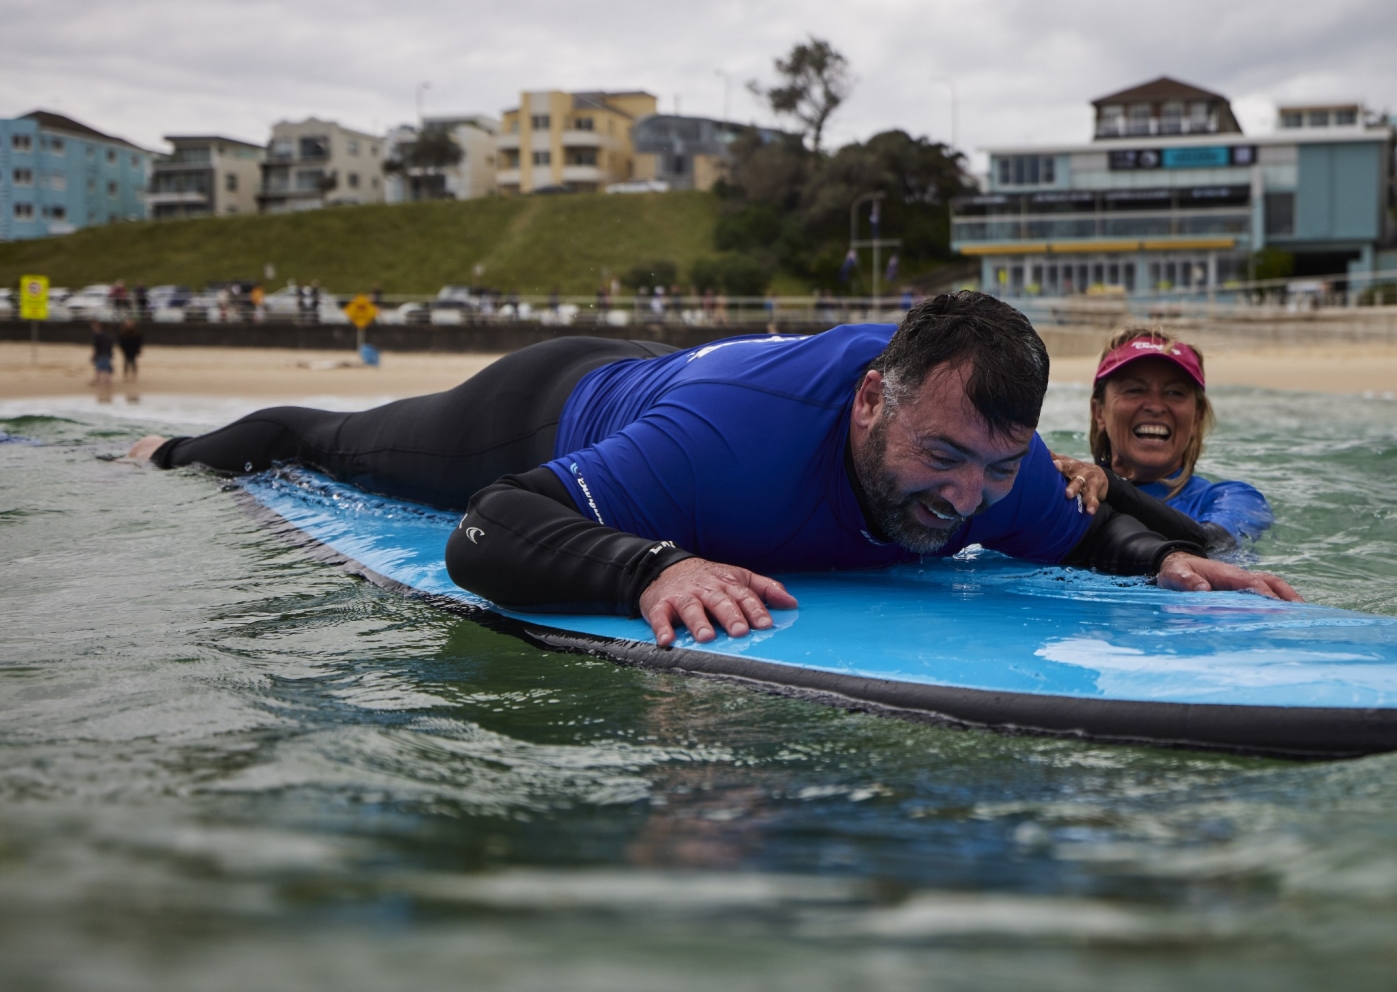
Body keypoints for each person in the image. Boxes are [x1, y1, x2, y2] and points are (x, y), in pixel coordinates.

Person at [129, 294, 1297, 647]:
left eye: (993, 472)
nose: (961, 501)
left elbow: (1091, 531)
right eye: (939, 458)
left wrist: (1168, 556)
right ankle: (170, 448)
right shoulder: (727, 445)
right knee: (325, 441)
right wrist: (648, 564)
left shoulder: (993, 466)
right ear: (869, 401)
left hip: (676, 381)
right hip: (544, 406)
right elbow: (486, 531)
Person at [1051, 329, 1273, 553]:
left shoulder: (1234, 498)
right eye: (1135, 390)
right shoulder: (1068, 493)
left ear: (1197, 417)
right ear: (1099, 412)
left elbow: (1212, 545)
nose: (1155, 406)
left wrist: (1114, 487)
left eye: (1175, 393)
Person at [90, 320, 116, 391]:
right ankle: (106, 381)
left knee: (100, 368)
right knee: (105, 367)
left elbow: (96, 347)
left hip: (103, 353)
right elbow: (110, 344)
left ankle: (100, 381)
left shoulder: (98, 336)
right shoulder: (106, 335)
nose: (94, 329)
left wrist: (94, 355)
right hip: (106, 353)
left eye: (95, 327)